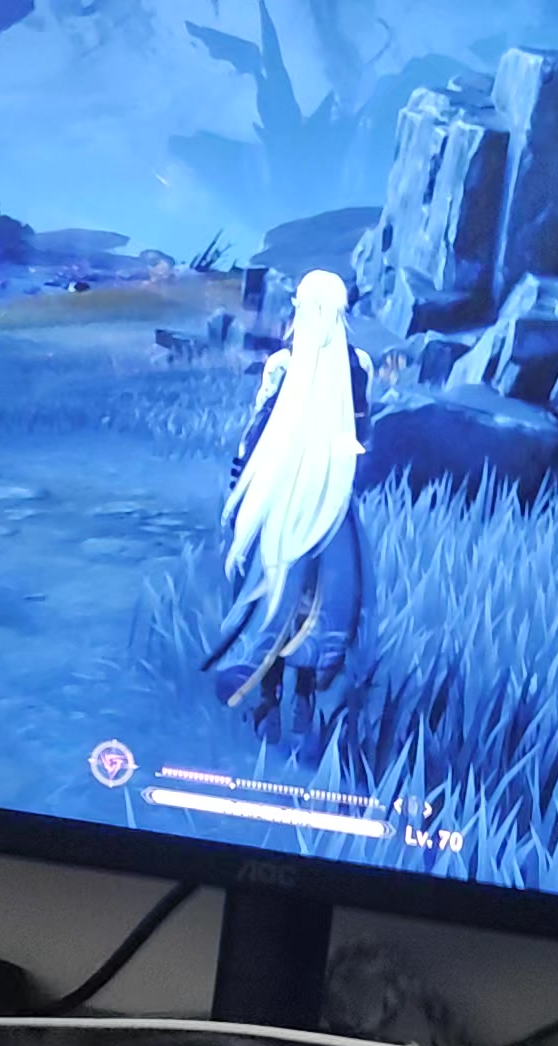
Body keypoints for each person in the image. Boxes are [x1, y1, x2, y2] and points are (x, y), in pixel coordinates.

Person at [202, 269, 375, 742]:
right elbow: (362, 432)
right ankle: (296, 699)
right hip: (328, 497)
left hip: (287, 494)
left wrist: (241, 479)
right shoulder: (357, 363)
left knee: (278, 587)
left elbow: (256, 431)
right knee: (321, 592)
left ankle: (273, 698)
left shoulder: (286, 363)